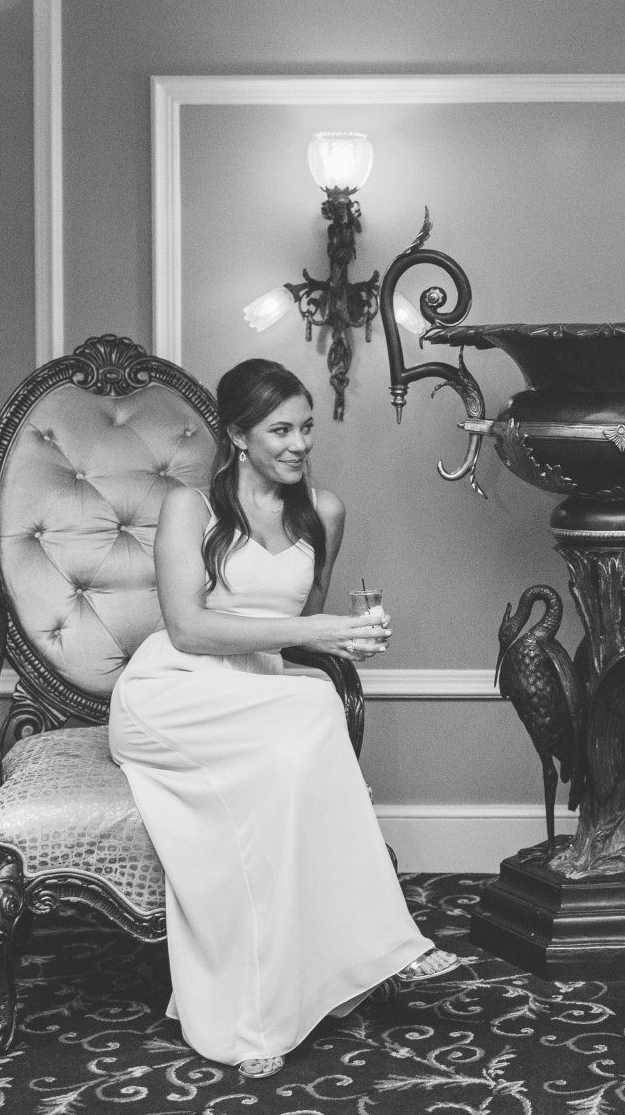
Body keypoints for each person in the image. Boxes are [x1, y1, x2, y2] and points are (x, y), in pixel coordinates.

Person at [108, 358, 458, 1079]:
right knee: (314, 701)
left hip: (263, 695)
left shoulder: (323, 511)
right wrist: (328, 634)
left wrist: (349, 634)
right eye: (280, 430)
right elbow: (189, 630)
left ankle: (268, 1006)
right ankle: (389, 944)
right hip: (174, 692)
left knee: (297, 743)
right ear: (238, 435)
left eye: (306, 428)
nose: (299, 444)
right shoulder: (189, 506)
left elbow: (295, 627)